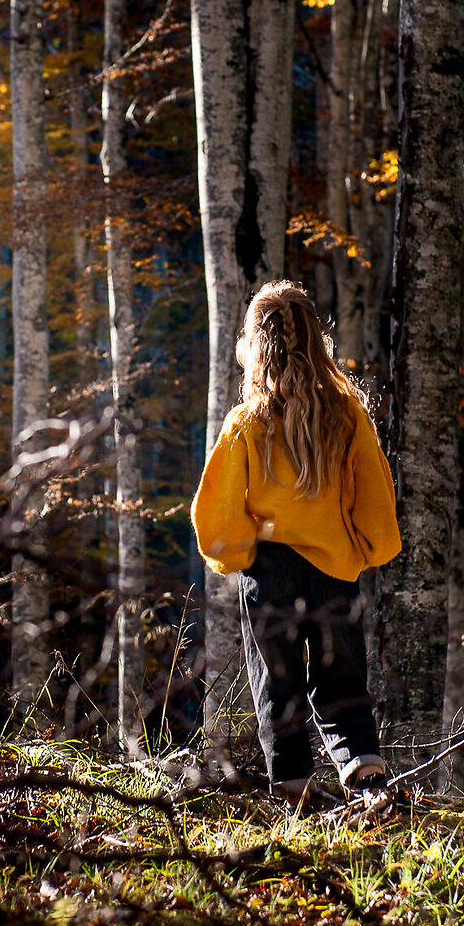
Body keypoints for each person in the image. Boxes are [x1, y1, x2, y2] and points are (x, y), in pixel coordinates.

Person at [190, 280, 400, 802]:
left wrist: (241, 556)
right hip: (334, 570)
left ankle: (295, 793)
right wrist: (369, 551)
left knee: (276, 686)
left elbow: (212, 516)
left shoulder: (248, 422)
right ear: (315, 338)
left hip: (271, 572)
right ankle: (367, 779)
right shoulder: (347, 414)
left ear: (254, 346)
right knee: (342, 682)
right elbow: (375, 498)